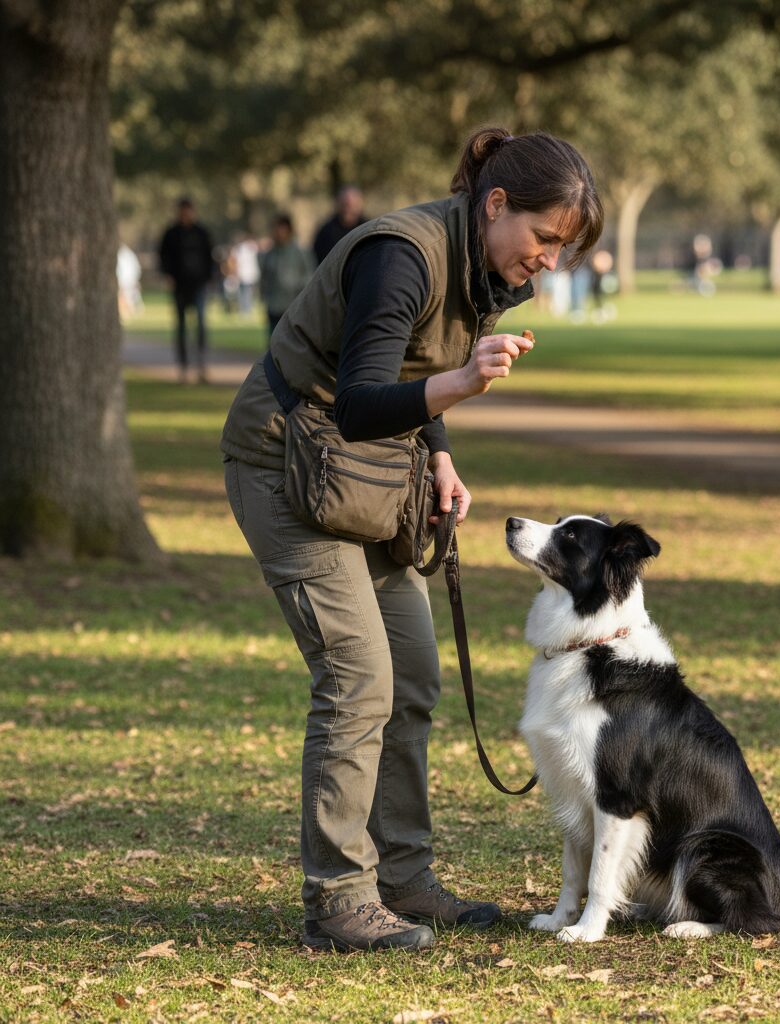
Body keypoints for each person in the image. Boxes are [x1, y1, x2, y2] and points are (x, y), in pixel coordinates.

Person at [220, 127, 602, 953]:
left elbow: (407, 371)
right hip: (284, 464)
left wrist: (441, 455)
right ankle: (338, 899)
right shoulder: (401, 256)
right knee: (358, 679)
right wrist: (464, 383)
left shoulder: (486, 268)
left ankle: (403, 878)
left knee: (414, 676)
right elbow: (362, 400)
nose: (547, 262)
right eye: (543, 238)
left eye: (560, 250)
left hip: (365, 475)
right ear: (495, 204)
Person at [158, 198, 216, 383]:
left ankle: (201, 364)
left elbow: (210, 256)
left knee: (200, 325)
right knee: (181, 327)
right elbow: (163, 256)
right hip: (180, 286)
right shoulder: (171, 233)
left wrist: (209, 278)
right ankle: (183, 367)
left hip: (198, 285)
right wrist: (168, 275)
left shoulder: (201, 233)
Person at [258, 214, 315, 342]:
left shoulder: (300, 252)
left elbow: (309, 276)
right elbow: (265, 277)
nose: (278, 233)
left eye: (281, 230)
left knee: (292, 343)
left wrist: (298, 291)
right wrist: (264, 293)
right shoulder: (270, 254)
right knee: (273, 342)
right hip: (273, 306)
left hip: (292, 307)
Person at [313, 186, 368, 265]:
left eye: (352, 205)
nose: (348, 209)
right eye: (344, 205)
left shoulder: (368, 229)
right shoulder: (326, 231)